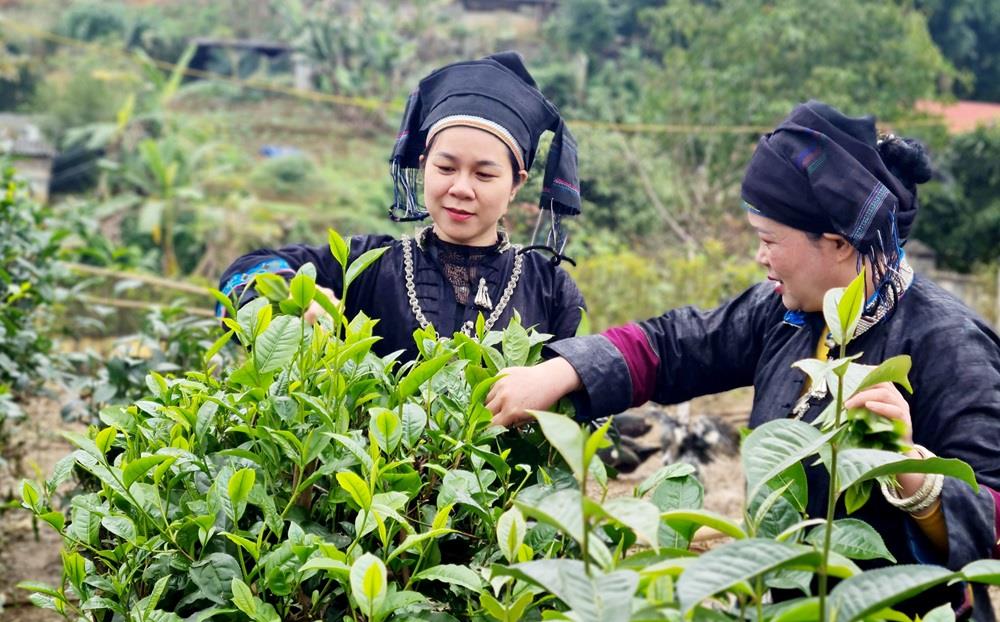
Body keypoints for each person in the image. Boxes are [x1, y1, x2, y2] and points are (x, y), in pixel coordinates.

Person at [486, 101, 1000, 620]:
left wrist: (910, 470)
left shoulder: (950, 344)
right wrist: (561, 370)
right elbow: (675, 345)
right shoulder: (784, 312)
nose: (760, 257)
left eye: (769, 240)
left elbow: (993, 518)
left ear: (840, 243)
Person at [218, 53, 585, 361]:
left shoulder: (550, 289)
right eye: (445, 168)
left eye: (484, 175)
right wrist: (286, 297)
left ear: (516, 184)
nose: (460, 188)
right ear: (423, 165)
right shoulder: (365, 266)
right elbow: (238, 282)